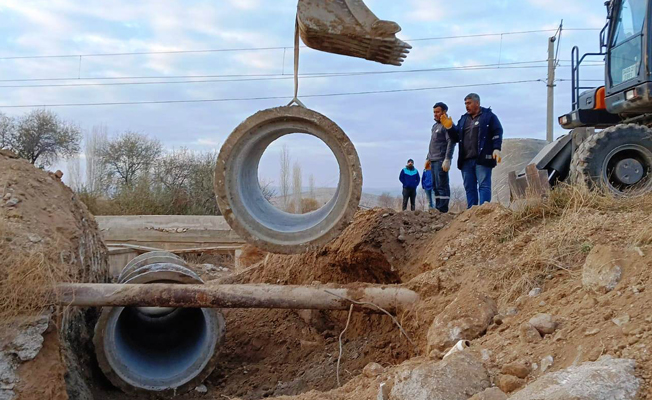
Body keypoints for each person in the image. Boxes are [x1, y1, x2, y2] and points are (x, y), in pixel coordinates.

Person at [440, 93, 503, 208]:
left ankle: (484, 211)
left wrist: (496, 148)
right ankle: (471, 212)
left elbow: (497, 132)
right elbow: (456, 138)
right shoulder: (464, 119)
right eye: (465, 104)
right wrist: (450, 127)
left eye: (469, 103)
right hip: (466, 160)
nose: (466, 106)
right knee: (470, 187)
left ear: (477, 103)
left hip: (482, 158)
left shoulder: (489, 117)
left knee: (484, 185)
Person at [428, 102, 455, 213]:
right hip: (433, 159)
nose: (435, 114)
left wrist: (447, 158)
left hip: (441, 159)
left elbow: (451, 141)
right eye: (434, 112)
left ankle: (443, 209)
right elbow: (432, 143)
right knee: (435, 186)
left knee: (441, 185)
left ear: (444, 112)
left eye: (437, 112)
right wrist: (428, 158)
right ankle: (437, 209)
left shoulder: (447, 125)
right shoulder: (435, 126)